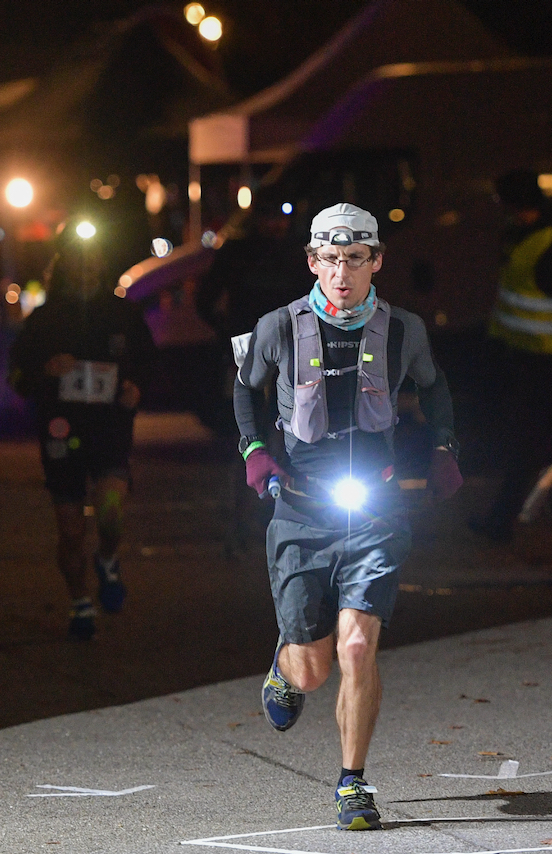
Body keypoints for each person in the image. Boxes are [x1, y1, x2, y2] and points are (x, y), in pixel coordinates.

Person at [233, 203, 462, 831]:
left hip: (376, 508)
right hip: (302, 510)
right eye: (330, 259)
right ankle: (285, 666)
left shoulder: (403, 329)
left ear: (376, 261)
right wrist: (255, 454)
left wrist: (444, 447)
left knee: (359, 646)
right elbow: (246, 390)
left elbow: (435, 386)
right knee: (313, 669)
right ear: (312, 262)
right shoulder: (278, 327)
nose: (342, 273)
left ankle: (353, 783)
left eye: (355, 259)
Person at [8, 222, 157, 641]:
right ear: (64, 266)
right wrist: (44, 371)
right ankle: (79, 602)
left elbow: (149, 363)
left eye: (93, 263)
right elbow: (16, 376)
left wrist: (135, 388)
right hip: (61, 431)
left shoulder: (123, 315)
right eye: (77, 263)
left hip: (109, 428)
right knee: (70, 528)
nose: (86, 271)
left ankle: (107, 560)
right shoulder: (44, 320)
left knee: (111, 509)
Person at [469, 169, 552, 543]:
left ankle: (503, 521)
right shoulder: (525, 238)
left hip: (548, 361)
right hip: (530, 357)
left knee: (529, 442)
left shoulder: (546, 245)